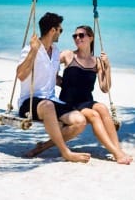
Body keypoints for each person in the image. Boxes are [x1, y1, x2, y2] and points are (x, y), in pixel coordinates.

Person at [27, 25, 133, 165]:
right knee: (94, 115)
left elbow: (105, 88)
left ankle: (117, 149)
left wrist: (108, 67)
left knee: (102, 108)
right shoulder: (68, 55)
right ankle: (117, 154)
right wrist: (62, 82)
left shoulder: (97, 61)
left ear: (91, 37)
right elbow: (48, 67)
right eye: (75, 36)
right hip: (69, 103)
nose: (77, 38)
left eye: (81, 35)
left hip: (86, 101)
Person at [16, 12, 90, 163]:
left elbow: (54, 78)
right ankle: (65, 152)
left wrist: (77, 86)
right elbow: (21, 75)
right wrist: (33, 51)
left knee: (80, 121)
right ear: (52, 30)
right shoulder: (29, 49)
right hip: (29, 102)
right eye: (60, 30)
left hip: (51, 100)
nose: (61, 33)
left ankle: (43, 147)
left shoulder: (56, 51)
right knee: (48, 105)